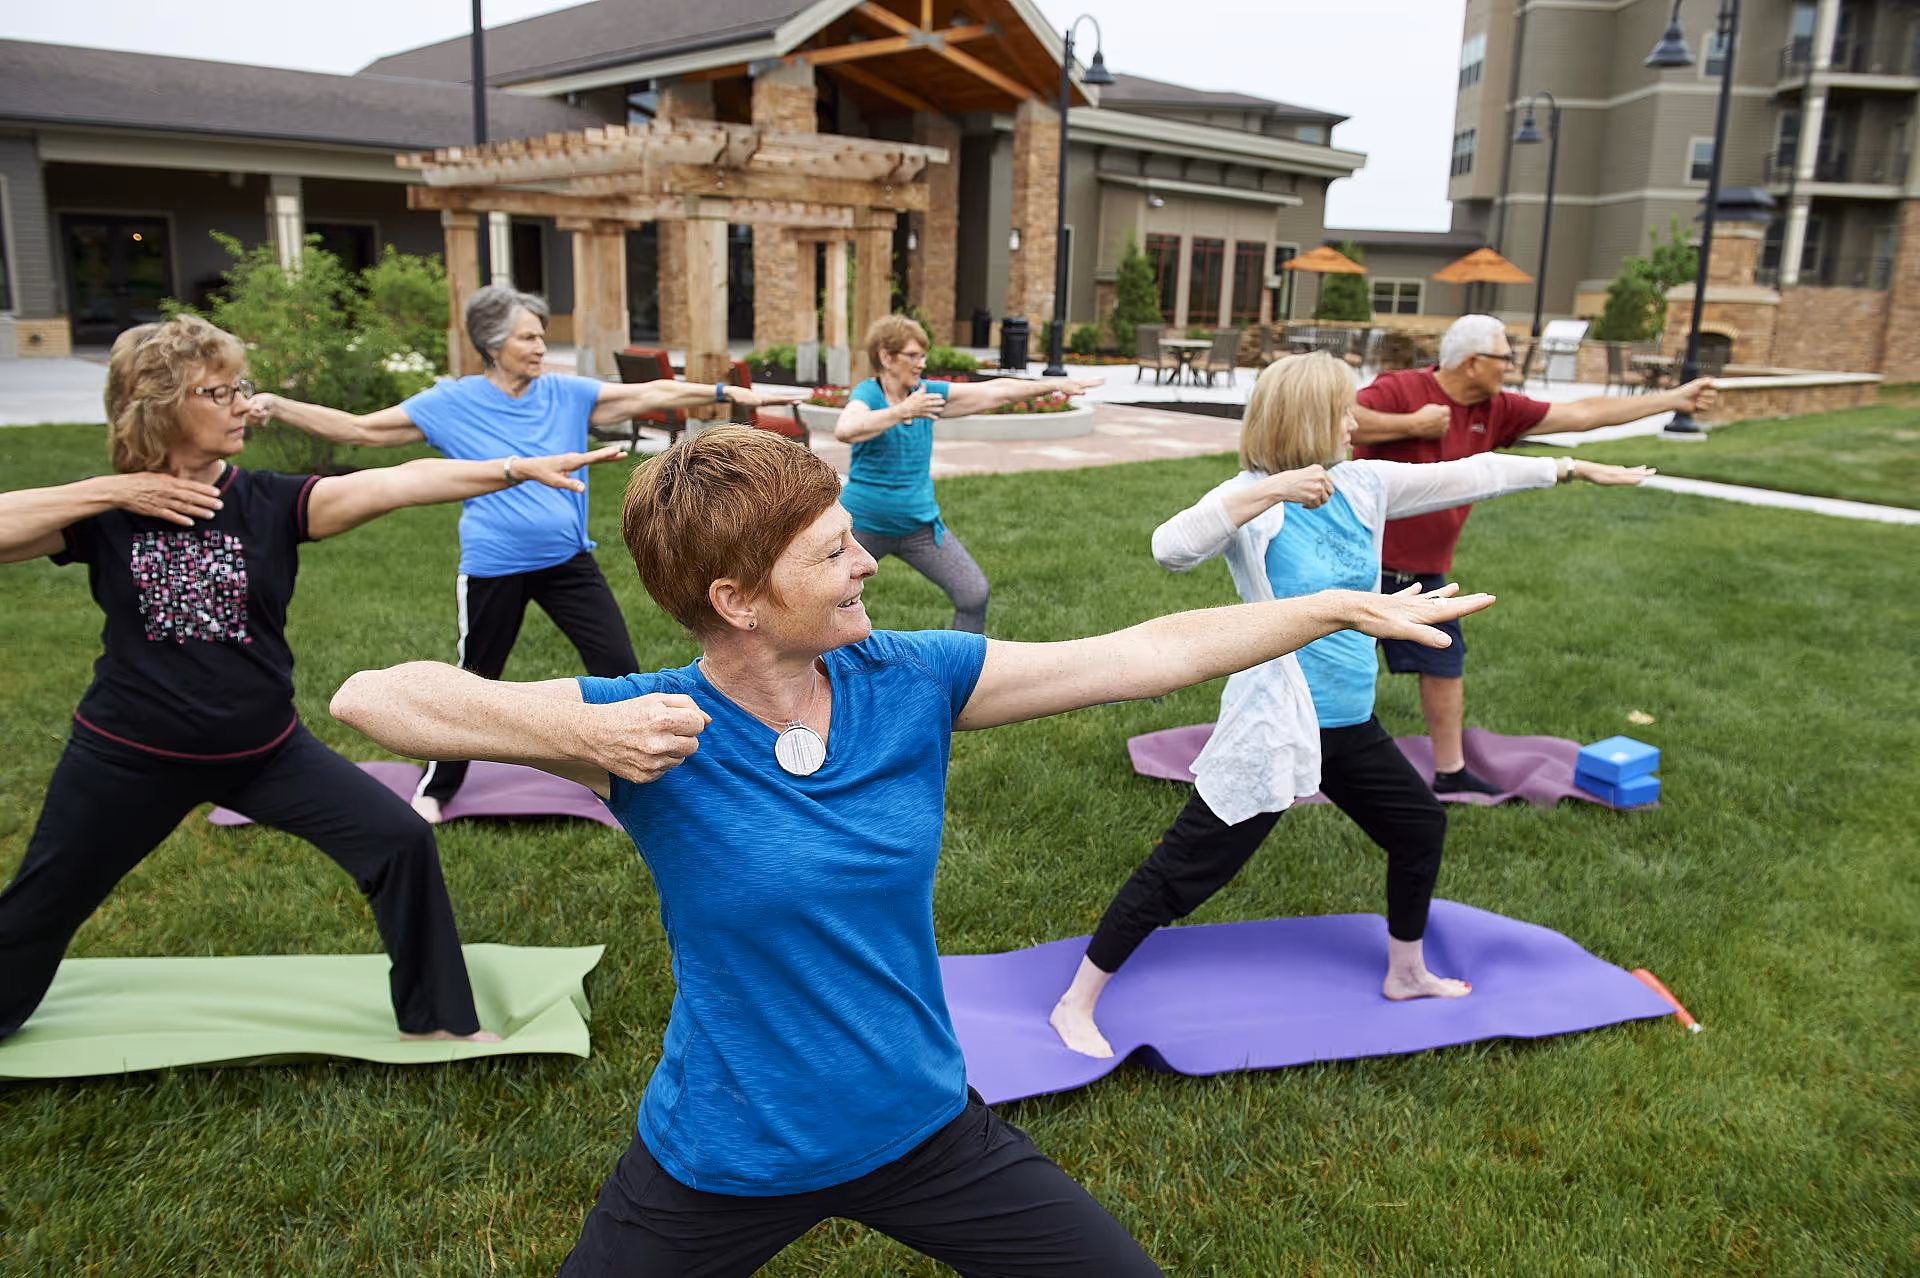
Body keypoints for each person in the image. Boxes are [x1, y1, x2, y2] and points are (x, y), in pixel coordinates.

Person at [327, 425, 1490, 1275]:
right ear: (737, 600)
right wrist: (573, 727)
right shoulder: (653, 727)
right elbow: (373, 694)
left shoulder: (911, 680)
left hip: (920, 1121)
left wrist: (1331, 610)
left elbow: (1147, 649)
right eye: (832, 553)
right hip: (728, 1147)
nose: (867, 562)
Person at [0, 314, 623, 1043]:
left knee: (401, 842)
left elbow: (403, 480)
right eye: (217, 392)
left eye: (242, 388)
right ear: (160, 404)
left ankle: (437, 1021)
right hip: (128, 753)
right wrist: (114, 492)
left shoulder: (266, 503)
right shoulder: (102, 515)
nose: (243, 405)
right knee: (43, 900)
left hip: (264, 749)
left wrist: (515, 468)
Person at [1048, 352, 1655, 1059]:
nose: (1354, 422)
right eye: (1342, 410)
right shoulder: (1253, 501)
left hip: (1350, 726)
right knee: (1187, 870)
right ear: (1306, 417)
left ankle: (1406, 971)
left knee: (1419, 825)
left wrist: (1571, 468)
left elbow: (1474, 472)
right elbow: (1169, 549)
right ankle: (1077, 1000)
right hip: (1277, 727)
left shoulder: (1363, 483)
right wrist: (1266, 490)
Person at [246, 284, 803, 822]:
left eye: (541, 337)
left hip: (567, 562)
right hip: (494, 566)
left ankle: (649, 771)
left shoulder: (563, 392)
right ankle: (437, 787)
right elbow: (361, 430)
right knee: (475, 677)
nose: (540, 347)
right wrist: (280, 405)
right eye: (528, 338)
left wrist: (725, 394)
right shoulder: (451, 402)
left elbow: (647, 393)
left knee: (616, 665)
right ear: (492, 345)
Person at [1349, 313, 1713, 793]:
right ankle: (1301, 758)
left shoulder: (1498, 408)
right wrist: (1411, 424)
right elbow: (1343, 421)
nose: (1512, 366)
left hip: (1427, 572)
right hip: (1361, 567)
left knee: (1444, 664)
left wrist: (1673, 399)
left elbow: (1583, 413)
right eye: (1505, 357)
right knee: (1335, 674)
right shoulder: (1401, 389)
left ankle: (1450, 772)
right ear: (1473, 362)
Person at [833, 315, 1103, 633]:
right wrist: (902, 412)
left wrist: (1051, 385)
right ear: (886, 356)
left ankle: (965, 669)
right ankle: (826, 672)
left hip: (918, 527)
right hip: (863, 527)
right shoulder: (869, 393)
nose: (921, 363)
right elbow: (846, 428)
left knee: (973, 593)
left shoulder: (926, 395)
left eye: (923, 355)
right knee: (822, 600)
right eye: (913, 355)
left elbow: (994, 391)